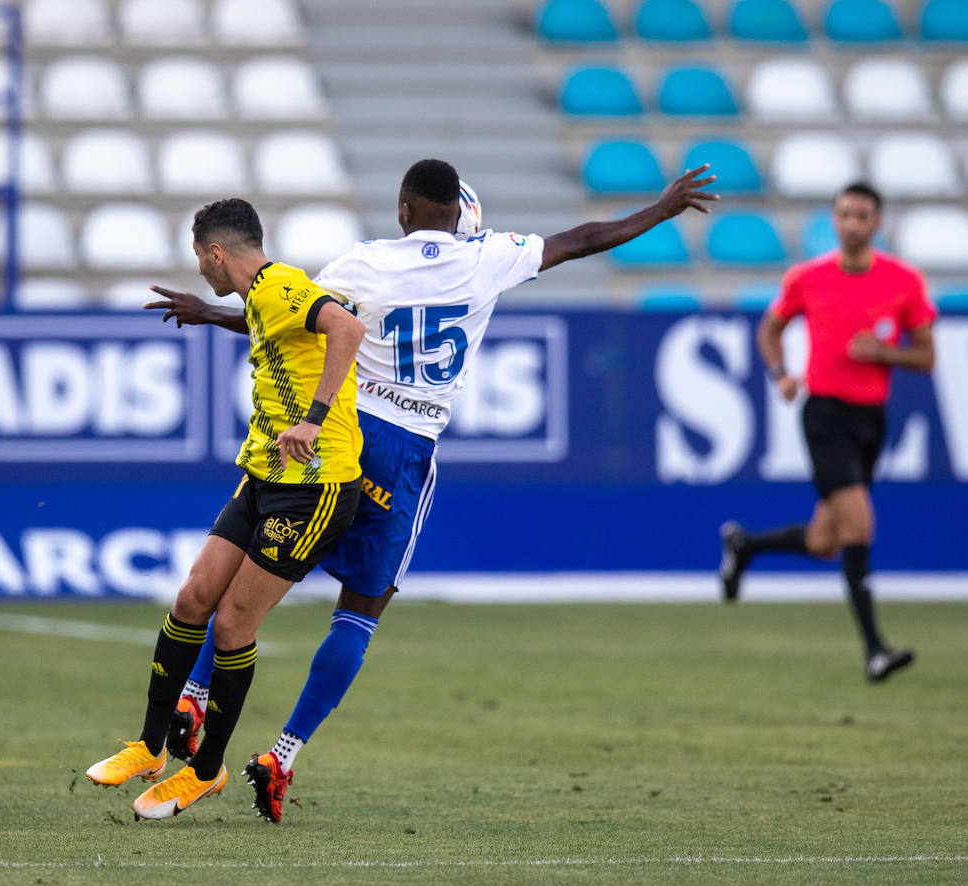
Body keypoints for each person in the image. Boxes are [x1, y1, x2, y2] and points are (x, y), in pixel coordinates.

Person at [147, 159, 720, 820]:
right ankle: (282, 752)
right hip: (407, 454)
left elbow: (289, 316)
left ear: (403, 210)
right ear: (461, 217)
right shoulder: (489, 259)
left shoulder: (364, 263)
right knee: (360, 611)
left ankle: (193, 689)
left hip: (345, 437)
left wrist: (209, 311)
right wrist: (662, 207)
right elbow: (586, 238)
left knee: (254, 570)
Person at [84, 198, 367, 820]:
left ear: (216, 254)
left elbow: (346, 328)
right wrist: (210, 314)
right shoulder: (262, 297)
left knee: (234, 624)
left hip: (315, 485)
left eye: (200, 262)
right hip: (265, 471)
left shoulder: (284, 285)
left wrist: (315, 422)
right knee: (192, 599)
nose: (203, 272)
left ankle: (204, 772)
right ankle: (150, 747)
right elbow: (272, 327)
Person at [719, 182, 936, 683]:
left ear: (877, 223)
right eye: (843, 214)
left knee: (824, 541)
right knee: (859, 526)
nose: (852, 224)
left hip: (870, 421)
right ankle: (876, 650)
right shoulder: (807, 278)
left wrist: (886, 354)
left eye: (862, 215)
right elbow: (769, 330)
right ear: (834, 220)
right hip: (824, 415)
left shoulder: (903, 282)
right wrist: (781, 375)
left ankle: (744, 545)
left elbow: (927, 357)